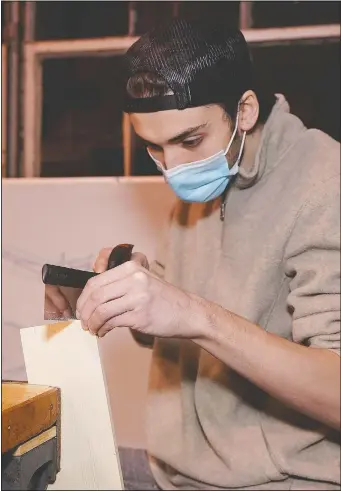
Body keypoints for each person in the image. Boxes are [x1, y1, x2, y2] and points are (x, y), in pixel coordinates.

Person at [49, 18, 340, 490]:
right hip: (180, 472)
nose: (174, 168)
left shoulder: (325, 186)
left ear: (243, 110)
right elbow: (187, 316)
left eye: (188, 141)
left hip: (283, 480)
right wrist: (137, 289)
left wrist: (193, 313)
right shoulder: (214, 167)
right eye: (154, 148)